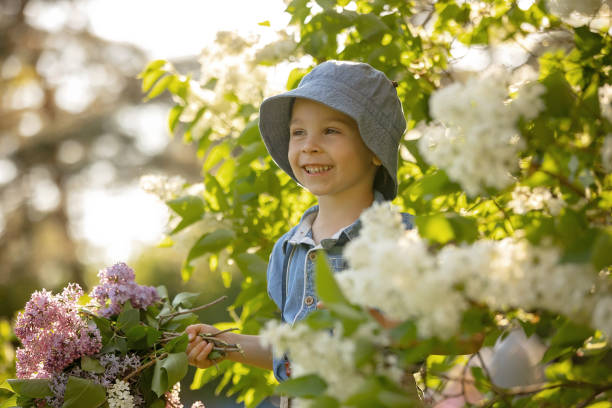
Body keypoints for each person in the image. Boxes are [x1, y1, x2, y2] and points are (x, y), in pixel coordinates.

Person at [185, 60, 413, 396]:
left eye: (331, 131)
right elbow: (290, 352)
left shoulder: (401, 237)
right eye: (298, 132)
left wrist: (391, 329)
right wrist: (226, 343)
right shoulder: (288, 249)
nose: (309, 146)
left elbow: (468, 336)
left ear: (375, 150)